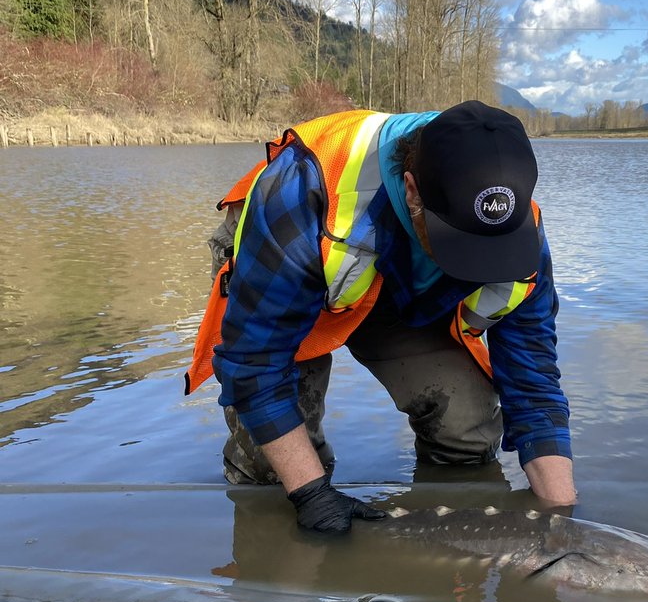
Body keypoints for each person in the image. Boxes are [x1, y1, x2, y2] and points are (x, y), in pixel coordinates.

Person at [185, 101, 575, 533]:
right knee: (272, 474)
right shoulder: (303, 188)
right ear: (412, 189)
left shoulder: (517, 229)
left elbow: (533, 382)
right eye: (461, 246)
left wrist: (560, 522)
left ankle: (437, 566)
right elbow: (254, 362)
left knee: (466, 427)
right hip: (292, 273)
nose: (479, 268)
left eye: (490, 250)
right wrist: (312, 493)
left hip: (401, 293)